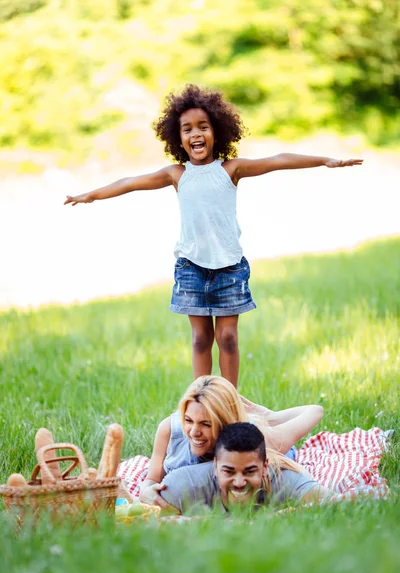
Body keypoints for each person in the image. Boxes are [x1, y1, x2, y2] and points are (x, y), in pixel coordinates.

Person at [65, 84, 363, 387]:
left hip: (229, 268)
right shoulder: (176, 174)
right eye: (187, 129)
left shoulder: (231, 169)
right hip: (191, 267)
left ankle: (229, 399)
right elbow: (129, 182)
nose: (196, 134)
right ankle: (203, 401)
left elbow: (278, 160)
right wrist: (92, 195)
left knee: (228, 337)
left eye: (203, 127)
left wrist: (325, 160)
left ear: (216, 132)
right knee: (200, 339)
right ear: (178, 138)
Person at [136, 375, 324, 506]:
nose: (194, 432)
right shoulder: (169, 430)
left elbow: (316, 411)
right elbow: (151, 478)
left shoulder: (252, 441)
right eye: (188, 420)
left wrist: (269, 416)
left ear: (223, 422)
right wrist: (146, 490)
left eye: (205, 424)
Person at [160, 422, 331, 514]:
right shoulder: (182, 486)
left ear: (264, 467)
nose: (240, 482)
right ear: (215, 466)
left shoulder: (286, 482)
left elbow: (335, 504)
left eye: (250, 471)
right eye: (229, 471)